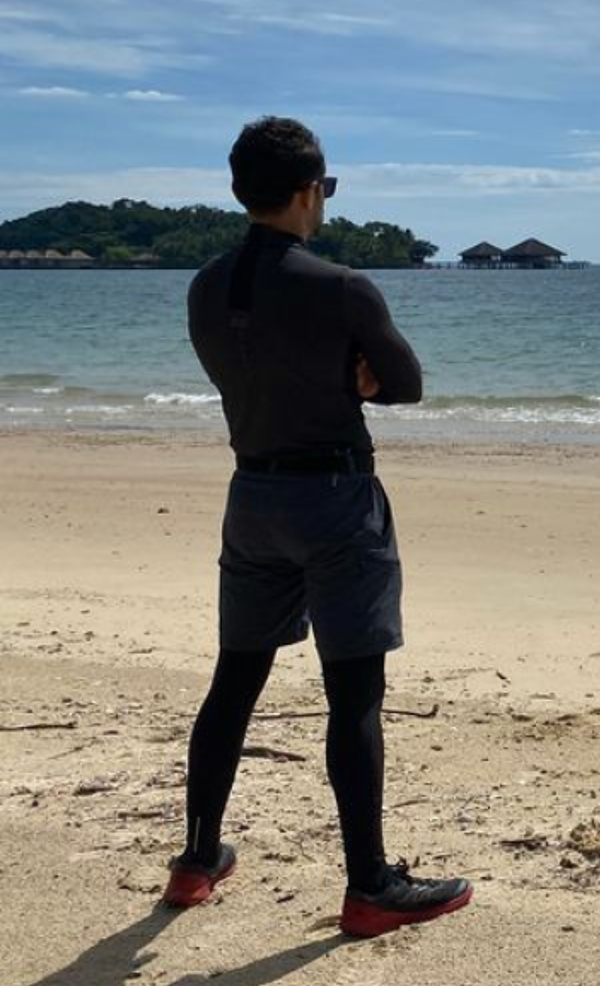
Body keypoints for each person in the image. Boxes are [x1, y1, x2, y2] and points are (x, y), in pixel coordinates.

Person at [168, 116, 471, 936]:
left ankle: (198, 860)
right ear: (309, 191)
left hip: (253, 494)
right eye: (326, 190)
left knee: (235, 676)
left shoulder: (205, 286)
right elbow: (405, 384)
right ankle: (369, 884)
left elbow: (252, 371)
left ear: (241, 192)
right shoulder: (341, 286)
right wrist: (355, 378)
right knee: (354, 694)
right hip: (334, 498)